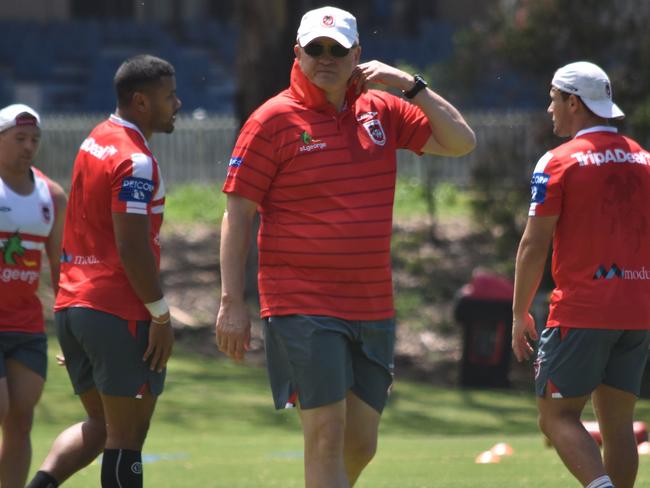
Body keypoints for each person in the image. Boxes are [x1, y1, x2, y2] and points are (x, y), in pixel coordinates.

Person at [216, 6, 475, 487]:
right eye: (315, 48)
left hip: (372, 305)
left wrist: (408, 84)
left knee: (361, 444)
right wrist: (232, 301)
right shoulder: (271, 120)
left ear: (358, 55)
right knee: (326, 437)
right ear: (298, 52)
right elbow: (237, 215)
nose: (326, 58)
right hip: (300, 303)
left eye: (338, 49)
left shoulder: (382, 110)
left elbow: (460, 141)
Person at [27, 54, 181, 488]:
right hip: (116, 308)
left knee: (100, 426)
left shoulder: (95, 139)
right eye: (168, 96)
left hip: (76, 306)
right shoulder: (135, 160)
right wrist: (161, 315)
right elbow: (131, 245)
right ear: (141, 102)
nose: (178, 103)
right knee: (127, 437)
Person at [512, 61, 650, 488]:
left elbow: (535, 243)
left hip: (583, 309)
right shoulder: (644, 158)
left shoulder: (559, 161)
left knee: (555, 416)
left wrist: (519, 313)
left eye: (553, 99)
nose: (550, 109)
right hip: (638, 310)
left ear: (573, 101)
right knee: (618, 425)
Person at [0, 104, 66, 488]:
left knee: (20, 419)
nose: (28, 146)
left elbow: (62, 270)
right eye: (19, 138)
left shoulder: (51, 196)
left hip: (26, 327)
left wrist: (70, 330)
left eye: (34, 140)